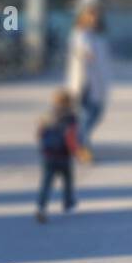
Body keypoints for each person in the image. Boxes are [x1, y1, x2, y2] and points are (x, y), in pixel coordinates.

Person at [66, 4, 111, 162]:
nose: (93, 18)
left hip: (97, 81)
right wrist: (86, 54)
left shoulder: (98, 35)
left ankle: (79, 144)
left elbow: (101, 59)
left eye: (95, 15)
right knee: (87, 115)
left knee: (94, 114)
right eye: (90, 15)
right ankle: (82, 147)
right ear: (82, 17)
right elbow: (83, 52)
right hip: (84, 82)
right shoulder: (79, 34)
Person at [35, 89, 80, 222]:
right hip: (63, 156)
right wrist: (76, 152)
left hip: (48, 155)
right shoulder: (71, 118)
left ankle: (41, 206)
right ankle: (68, 203)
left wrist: (44, 147)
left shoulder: (47, 115)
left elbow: (40, 133)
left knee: (46, 183)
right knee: (68, 181)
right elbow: (71, 137)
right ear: (70, 103)